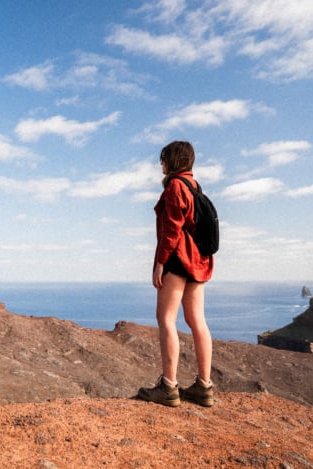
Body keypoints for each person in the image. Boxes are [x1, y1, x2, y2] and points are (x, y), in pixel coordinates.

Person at [137, 141, 215, 407]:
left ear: (172, 161)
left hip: (178, 259)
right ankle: (204, 387)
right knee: (197, 321)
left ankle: (168, 387)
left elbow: (171, 230)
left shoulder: (175, 186)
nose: (161, 164)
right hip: (198, 261)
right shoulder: (195, 186)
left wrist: (160, 263)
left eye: (163, 159)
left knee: (166, 319)